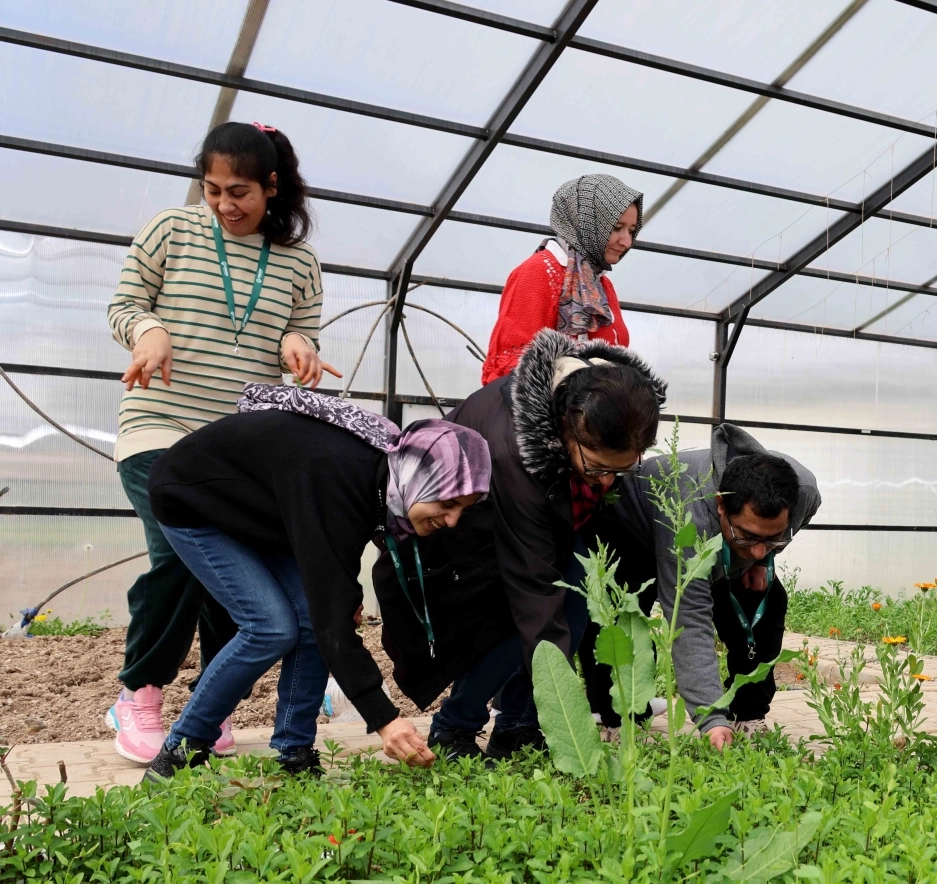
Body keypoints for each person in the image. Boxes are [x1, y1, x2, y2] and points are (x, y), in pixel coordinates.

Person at [105, 121, 335, 765]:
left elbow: (302, 334)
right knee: (180, 554)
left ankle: (212, 699)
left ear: (271, 186)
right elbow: (124, 306)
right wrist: (148, 331)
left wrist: (298, 348)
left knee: (233, 570)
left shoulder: (299, 263)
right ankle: (138, 693)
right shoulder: (170, 230)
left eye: (239, 192)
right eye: (212, 190)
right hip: (157, 426)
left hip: (236, 449)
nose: (224, 204)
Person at [141, 385, 491, 780]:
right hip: (194, 500)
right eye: (448, 503)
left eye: (463, 509)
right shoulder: (339, 476)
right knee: (270, 628)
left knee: (311, 619)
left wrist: (342, 599)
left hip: (269, 512)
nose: (453, 520)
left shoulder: (383, 478)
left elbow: (332, 569)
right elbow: (333, 624)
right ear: (418, 478)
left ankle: (294, 756)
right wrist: (384, 719)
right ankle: (180, 751)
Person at [373, 328, 667, 761]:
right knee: (520, 622)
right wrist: (565, 717)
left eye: (620, 471)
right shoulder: (514, 451)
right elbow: (533, 590)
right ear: (566, 427)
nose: (606, 482)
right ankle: (455, 727)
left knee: (575, 601)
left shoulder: (604, 400)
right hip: (461, 533)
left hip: (536, 520)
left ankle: (517, 725)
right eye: (597, 468)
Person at [600, 424, 821, 748]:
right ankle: (622, 719)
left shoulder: (804, 490)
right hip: (634, 530)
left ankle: (748, 714)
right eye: (749, 536)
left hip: (716, 538)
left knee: (767, 601)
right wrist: (711, 717)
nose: (758, 549)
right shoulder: (690, 510)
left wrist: (763, 560)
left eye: (772, 537)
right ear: (721, 505)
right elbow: (689, 618)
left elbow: (783, 530)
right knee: (623, 619)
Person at [480, 174, 642, 384]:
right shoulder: (539, 271)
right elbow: (510, 372)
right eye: (617, 228)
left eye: (632, 230)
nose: (627, 242)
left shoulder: (601, 284)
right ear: (584, 223)